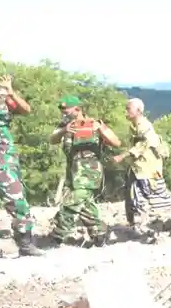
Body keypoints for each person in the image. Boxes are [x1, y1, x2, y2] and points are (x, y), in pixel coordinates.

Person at [49, 96, 122, 246]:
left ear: (77, 109)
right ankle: (99, 233)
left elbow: (116, 142)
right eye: (62, 110)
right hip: (73, 170)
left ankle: (59, 232)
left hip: (90, 171)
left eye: (66, 110)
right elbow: (52, 139)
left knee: (74, 199)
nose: (64, 113)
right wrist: (64, 130)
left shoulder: (94, 123)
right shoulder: (66, 125)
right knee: (85, 204)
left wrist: (100, 129)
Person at [115, 97, 171, 240]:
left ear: (138, 111)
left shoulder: (145, 126)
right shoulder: (134, 126)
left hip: (149, 168)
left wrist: (123, 156)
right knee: (134, 196)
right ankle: (137, 225)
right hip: (138, 168)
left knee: (161, 194)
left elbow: (146, 143)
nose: (126, 112)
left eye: (128, 109)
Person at [0, 69, 40, 259]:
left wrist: (11, 92)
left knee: (17, 200)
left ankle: (25, 243)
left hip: (3, 155)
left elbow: (25, 110)